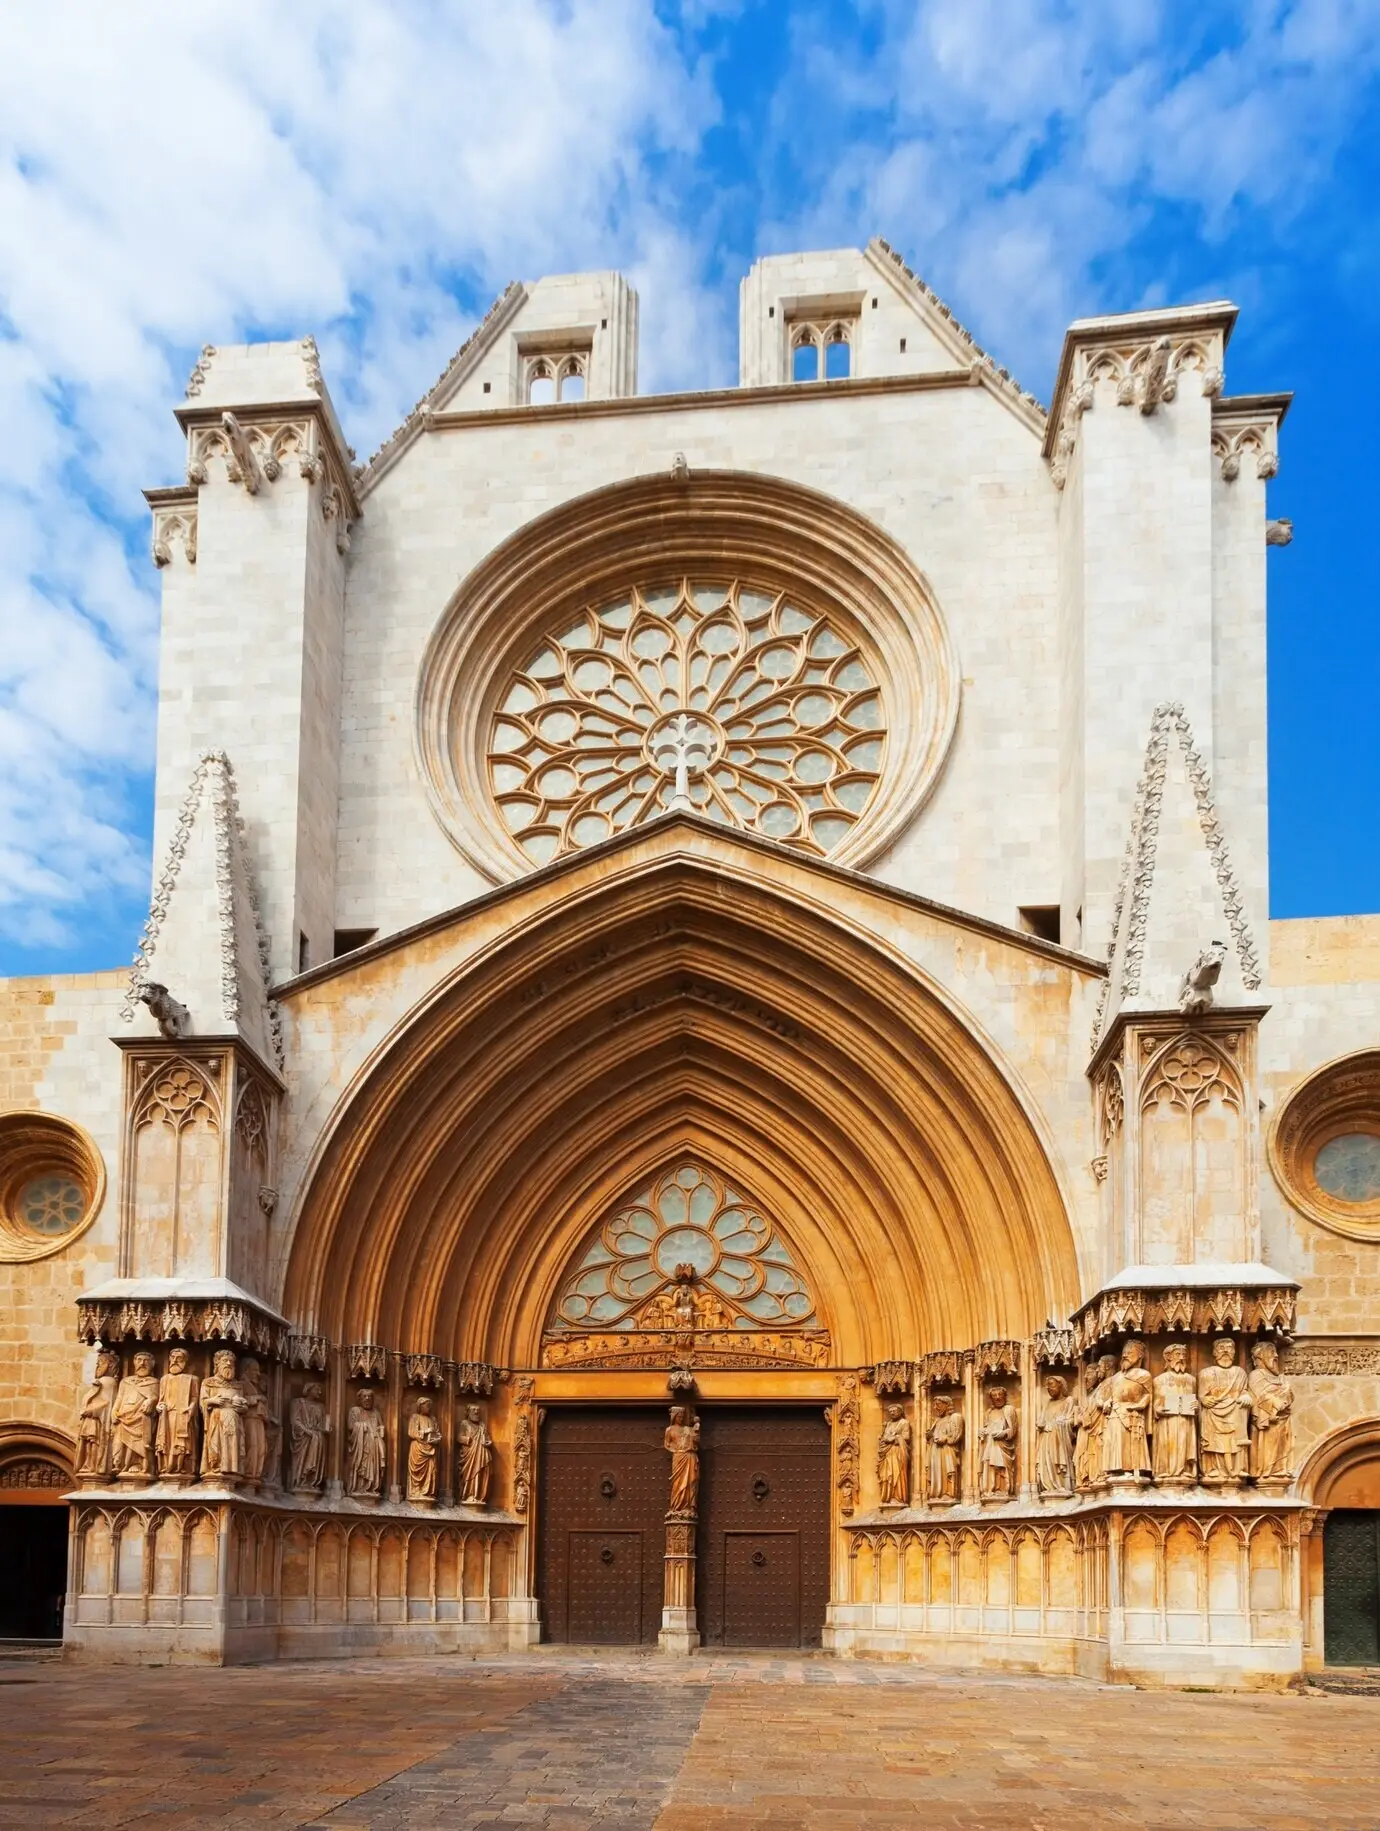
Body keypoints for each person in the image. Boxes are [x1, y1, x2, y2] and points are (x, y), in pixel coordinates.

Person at [1198, 1337, 1251, 1484]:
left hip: (1235, 1411)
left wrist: (1246, 1396)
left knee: (1236, 1441)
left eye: (1229, 1348)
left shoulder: (1240, 1373)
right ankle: (1213, 1469)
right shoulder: (1206, 1373)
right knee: (1214, 1441)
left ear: (1234, 1352)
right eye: (1221, 1348)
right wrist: (1204, 1399)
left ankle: (1237, 1468)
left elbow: (1244, 1391)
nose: (1225, 1351)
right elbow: (1201, 1395)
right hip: (1213, 1412)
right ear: (1214, 1353)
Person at [1101, 1340, 1153, 1480]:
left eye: (1129, 1353)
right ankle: (1115, 1469)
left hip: (1132, 1412)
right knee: (1115, 1441)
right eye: (1124, 1352)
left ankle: (1129, 1469)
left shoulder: (1143, 1375)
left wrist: (1141, 1404)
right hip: (1116, 1412)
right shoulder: (1116, 1377)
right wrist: (1108, 1401)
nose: (1125, 1355)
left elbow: (1149, 1395)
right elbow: (1113, 1394)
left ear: (1140, 1355)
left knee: (1129, 1442)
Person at [1151, 1343, 1198, 1482]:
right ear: (1168, 1357)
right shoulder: (1160, 1380)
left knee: (1184, 1443)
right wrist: (1158, 1410)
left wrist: (1196, 1407)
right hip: (1167, 1421)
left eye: (1184, 1355)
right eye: (1178, 1354)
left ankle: (1185, 1470)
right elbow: (1156, 1403)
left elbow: (1195, 1402)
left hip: (1186, 1420)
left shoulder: (1191, 1379)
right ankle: (1166, 1471)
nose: (1182, 1358)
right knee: (1168, 1445)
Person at [1248, 1341, 1294, 1481]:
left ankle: (1279, 1470)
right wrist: (1278, 1400)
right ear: (1260, 1356)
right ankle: (1267, 1473)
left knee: (1282, 1448)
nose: (1276, 1355)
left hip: (1283, 1419)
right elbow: (1260, 1395)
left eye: (1276, 1352)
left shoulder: (1280, 1377)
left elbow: (1289, 1394)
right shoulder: (1256, 1375)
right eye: (1271, 1352)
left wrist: (1281, 1396)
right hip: (1268, 1421)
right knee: (1268, 1449)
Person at [201, 1349, 249, 1480]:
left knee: (233, 1445)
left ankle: (232, 1468)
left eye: (231, 1362)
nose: (229, 1364)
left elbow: (245, 1407)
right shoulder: (208, 1382)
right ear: (217, 1363)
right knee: (216, 1444)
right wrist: (212, 1401)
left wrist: (241, 1407)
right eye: (225, 1361)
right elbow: (202, 1402)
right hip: (216, 1419)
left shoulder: (238, 1385)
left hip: (234, 1420)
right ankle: (215, 1468)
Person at [110, 1351, 159, 1479]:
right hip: (123, 1417)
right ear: (134, 1363)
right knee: (120, 1442)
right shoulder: (125, 1381)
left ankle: (137, 1463)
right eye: (139, 1360)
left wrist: (151, 1401)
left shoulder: (154, 1382)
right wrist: (114, 1410)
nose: (142, 1363)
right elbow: (119, 1398)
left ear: (152, 1364)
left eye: (146, 1361)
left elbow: (156, 1397)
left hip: (141, 1417)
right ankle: (121, 1465)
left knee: (140, 1442)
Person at [155, 1347, 200, 1480]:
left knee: (183, 1443)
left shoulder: (192, 1379)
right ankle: (166, 1467)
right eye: (172, 1358)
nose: (174, 1361)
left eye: (179, 1359)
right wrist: (159, 1406)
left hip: (184, 1415)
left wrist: (191, 1408)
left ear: (186, 1362)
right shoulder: (165, 1379)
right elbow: (161, 1399)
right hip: (168, 1416)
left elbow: (195, 1398)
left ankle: (182, 1468)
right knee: (166, 1441)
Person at [75, 1350, 119, 1481]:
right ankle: (89, 1465)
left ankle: (94, 1465)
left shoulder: (108, 1382)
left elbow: (109, 1403)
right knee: (90, 1443)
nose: (97, 1366)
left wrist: (93, 1410)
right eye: (97, 1363)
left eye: (101, 1363)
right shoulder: (101, 1381)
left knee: (95, 1442)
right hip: (90, 1419)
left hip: (98, 1420)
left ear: (110, 1365)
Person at [1034, 1375, 1075, 1497]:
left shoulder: (1068, 1401)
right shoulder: (1048, 1403)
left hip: (1059, 1439)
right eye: (1047, 1386)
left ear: (1060, 1384)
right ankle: (1049, 1487)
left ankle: (1061, 1486)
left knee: (1058, 1462)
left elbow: (1073, 1420)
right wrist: (1040, 1424)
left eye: (1051, 1385)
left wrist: (1061, 1423)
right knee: (1046, 1463)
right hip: (1046, 1438)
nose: (1048, 1388)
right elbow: (1041, 1420)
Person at [289, 1381, 330, 1491]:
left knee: (315, 1462)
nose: (320, 1392)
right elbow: (294, 1420)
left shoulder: (321, 1407)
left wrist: (325, 1429)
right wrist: (307, 1431)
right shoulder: (298, 1402)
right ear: (309, 1389)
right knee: (302, 1460)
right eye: (317, 1389)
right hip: (303, 1437)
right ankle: (299, 1481)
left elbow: (323, 1424)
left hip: (317, 1438)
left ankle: (312, 1482)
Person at [978, 1386, 1018, 1498]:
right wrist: (982, 1432)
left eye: (1000, 1395)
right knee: (990, 1465)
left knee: (1000, 1466)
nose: (997, 1397)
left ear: (1004, 1396)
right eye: (994, 1396)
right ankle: (990, 1489)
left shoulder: (1009, 1409)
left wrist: (1004, 1433)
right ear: (991, 1398)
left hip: (1002, 1445)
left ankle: (1002, 1489)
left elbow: (1013, 1430)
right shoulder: (989, 1412)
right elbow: (987, 1427)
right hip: (990, 1444)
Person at [347, 1387, 387, 1497]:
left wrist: (381, 1429)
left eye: (370, 1397)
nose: (367, 1399)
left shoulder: (376, 1412)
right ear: (360, 1399)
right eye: (364, 1396)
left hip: (374, 1445)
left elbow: (380, 1426)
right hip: (361, 1444)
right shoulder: (355, 1410)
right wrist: (363, 1426)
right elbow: (350, 1426)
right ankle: (359, 1487)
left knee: (373, 1467)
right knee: (361, 1466)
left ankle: (372, 1488)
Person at [665, 1405, 701, 1515]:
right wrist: (677, 1450)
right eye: (679, 1416)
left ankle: (688, 1507)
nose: (681, 1418)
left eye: (682, 1416)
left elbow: (696, 1441)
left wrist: (697, 1430)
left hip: (690, 1457)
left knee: (691, 1480)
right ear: (674, 1416)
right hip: (679, 1457)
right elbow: (667, 1445)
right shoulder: (669, 1430)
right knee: (677, 1482)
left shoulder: (688, 1429)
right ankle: (677, 1507)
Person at [927, 1395, 963, 1502]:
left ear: (946, 1405)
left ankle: (949, 1493)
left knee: (947, 1469)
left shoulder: (955, 1417)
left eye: (938, 1405)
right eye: (935, 1405)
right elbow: (933, 1436)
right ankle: (937, 1494)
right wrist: (929, 1436)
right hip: (935, 1450)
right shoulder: (937, 1420)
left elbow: (956, 1435)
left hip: (947, 1449)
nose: (935, 1407)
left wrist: (946, 1439)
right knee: (936, 1471)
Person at [457, 1404, 493, 1507]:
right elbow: (459, 1437)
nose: (476, 1412)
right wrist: (468, 1440)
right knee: (471, 1474)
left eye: (478, 1410)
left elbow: (488, 1438)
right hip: (470, 1454)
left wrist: (489, 1442)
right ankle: (469, 1495)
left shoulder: (482, 1425)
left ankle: (479, 1496)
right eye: (473, 1410)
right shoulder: (464, 1423)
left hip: (482, 1454)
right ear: (468, 1412)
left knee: (482, 1473)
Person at [877, 1403, 912, 1507]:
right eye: (890, 1411)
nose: (892, 1413)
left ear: (900, 1412)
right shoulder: (888, 1424)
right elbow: (883, 1437)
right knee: (886, 1475)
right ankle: (888, 1497)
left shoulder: (904, 1423)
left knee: (897, 1473)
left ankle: (898, 1497)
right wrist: (884, 1438)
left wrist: (893, 1438)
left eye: (894, 1411)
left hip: (897, 1451)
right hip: (887, 1453)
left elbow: (906, 1437)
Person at [407, 1397, 440, 1503]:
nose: (429, 1408)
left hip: (431, 1448)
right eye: (427, 1406)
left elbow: (437, 1433)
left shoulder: (433, 1419)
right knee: (417, 1471)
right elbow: (411, 1432)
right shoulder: (415, 1417)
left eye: (430, 1406)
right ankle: (416, 1492)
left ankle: (427, 1492)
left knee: (431, 1470)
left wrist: (437, 1439)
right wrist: (425, 1432)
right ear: (420, 1407)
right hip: (418, 1448)